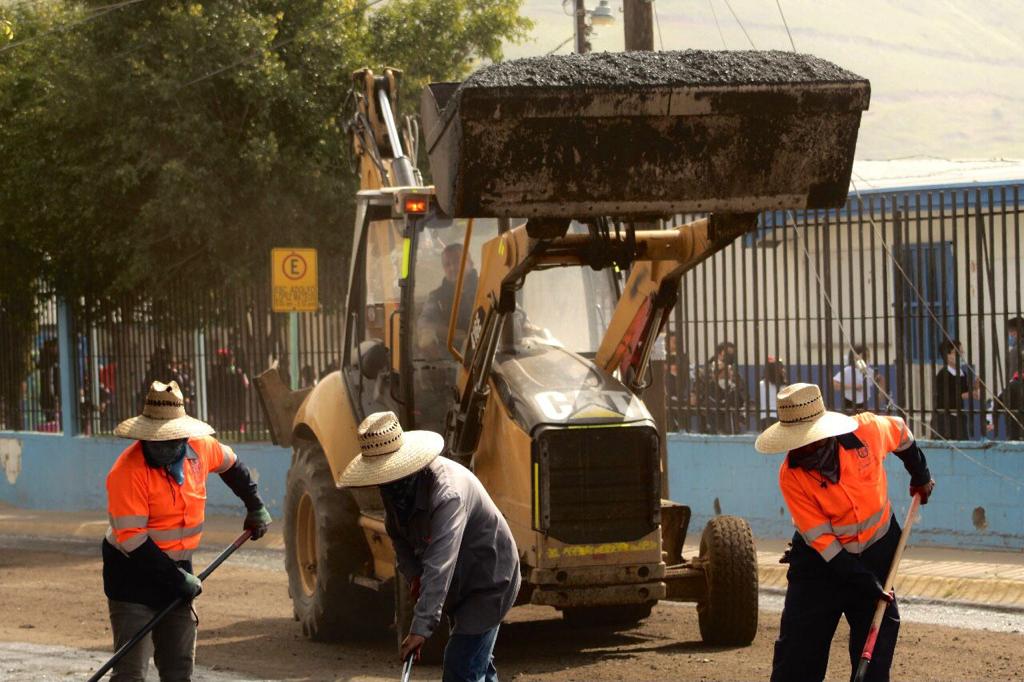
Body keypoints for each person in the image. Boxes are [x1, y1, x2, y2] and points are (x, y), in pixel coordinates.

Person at [756, 383, 935, 682]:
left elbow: (902, 433)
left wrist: (921, 475)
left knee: (874, 659)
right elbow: (824, 543)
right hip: (819, 566)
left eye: (806, 440)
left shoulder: (867, 431)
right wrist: (862, 580)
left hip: (877, 552)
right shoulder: (791, 476)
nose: (799, 448)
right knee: (797, 661)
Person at [103, 380, 272, 681]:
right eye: (157, 441)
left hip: (178, 568)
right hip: (132, 575)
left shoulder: (201, 448)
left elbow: (232, 466)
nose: (166, 447)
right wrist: (177, 579)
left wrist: (254, 506)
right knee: (130, 673)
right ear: (144, 437)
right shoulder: (126, 473)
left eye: (172, 440)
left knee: (179, 668)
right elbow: (133, 540)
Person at [339, 411, 520, 682]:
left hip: (489, 580)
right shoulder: (396, 494)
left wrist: (420, 628)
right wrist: (414, 576)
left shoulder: (448, 495)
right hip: (458, 584)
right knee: (475, 665)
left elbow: (440, 563)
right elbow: (399, 538)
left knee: (461, 668)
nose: (384, 484)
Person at [417, 243, 478, 357]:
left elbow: (515, 314)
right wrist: (452, 334)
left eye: (457, 262)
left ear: (470, 262)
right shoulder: (437, 297)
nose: (452, 268)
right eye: (447, 265)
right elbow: (424, 323)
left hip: (487, 356)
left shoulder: (488, 288)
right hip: (451, 361)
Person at [932, 339, 979, 440]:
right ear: (947, 355)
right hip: (945, 419)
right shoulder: (943, 374)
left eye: (961, 352)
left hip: (959, 418)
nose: (961, 355)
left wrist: (975, 387)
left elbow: (966, 391)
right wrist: (966, 395)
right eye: (957, 352)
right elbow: (946, 398)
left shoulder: (963, 373)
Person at [832, 343, 882, 413]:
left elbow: (881, 381)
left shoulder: (869, 371)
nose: (866, 359)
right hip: (849, 404)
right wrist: (853, 386)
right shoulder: (848, 370)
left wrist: (878, 402)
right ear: (855, 357)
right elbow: (834, 384)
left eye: (868, 356)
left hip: (864, 404)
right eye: (864, 356)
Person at [758, 356, 787, 430]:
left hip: (764, 417)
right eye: (781, 368)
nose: (783, 370)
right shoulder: (783, 386)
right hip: (779, 417)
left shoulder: (760, 384)